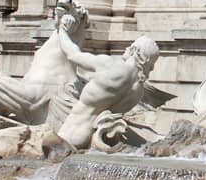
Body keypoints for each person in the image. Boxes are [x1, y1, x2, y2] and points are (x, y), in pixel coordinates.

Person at [51, 21, 160, 152]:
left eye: (129, 46)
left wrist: (62, 30)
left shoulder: (111, 66)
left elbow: (73, 54)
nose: (125, 49)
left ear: (134, 50)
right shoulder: (138, 92)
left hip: (68, 136)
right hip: (92, 139)